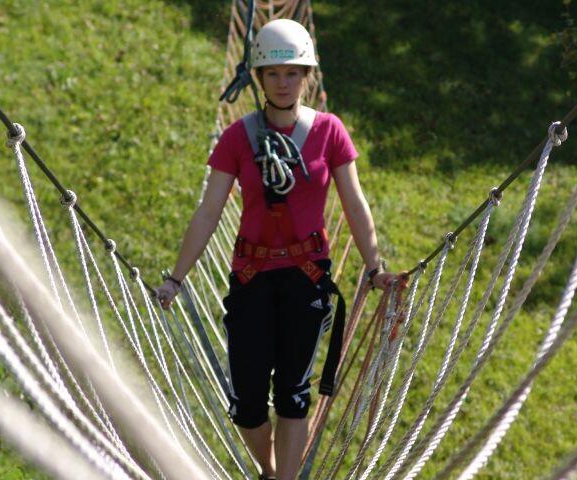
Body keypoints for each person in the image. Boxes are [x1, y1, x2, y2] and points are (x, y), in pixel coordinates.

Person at [156, 18, 398, 480]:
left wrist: (375, 267)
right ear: (260, 79)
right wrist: (176, 277)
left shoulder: (329, 132)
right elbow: (209, 211)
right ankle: (268, 471)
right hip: (252, 277)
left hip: (305, 276)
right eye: (273, 74)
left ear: (307, 76)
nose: (284, 83)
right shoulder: (237, 138)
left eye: (293, 73)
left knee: (293, 393)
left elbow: (354, 202)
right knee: (247, 402)